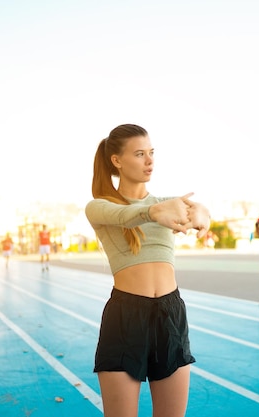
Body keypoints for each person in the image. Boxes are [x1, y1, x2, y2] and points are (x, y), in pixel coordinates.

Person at [85, 124, 210, 417]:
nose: (150, 161)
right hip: (126, 317)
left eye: (151, 153)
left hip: (171, 314)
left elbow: (198, 214)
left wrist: (202, 213)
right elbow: (125, 215)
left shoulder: (167, 205)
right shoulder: (99, 207)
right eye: (140, 154)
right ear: (117, 160)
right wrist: (153, 212)